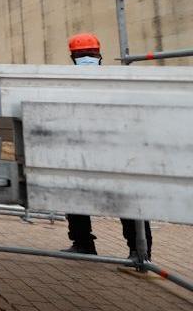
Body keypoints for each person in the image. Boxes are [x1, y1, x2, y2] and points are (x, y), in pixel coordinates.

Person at [62, 32, 153, 259]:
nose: (86, 58)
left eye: (89, 54)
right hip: (83, 150)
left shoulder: (116, 79)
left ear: (99, 55)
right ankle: (83, 243)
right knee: (74, 197)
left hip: (117, 150)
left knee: (128, 200)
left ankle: (139, 249)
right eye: (81, 55)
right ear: (73, 57)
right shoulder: (67, 82)